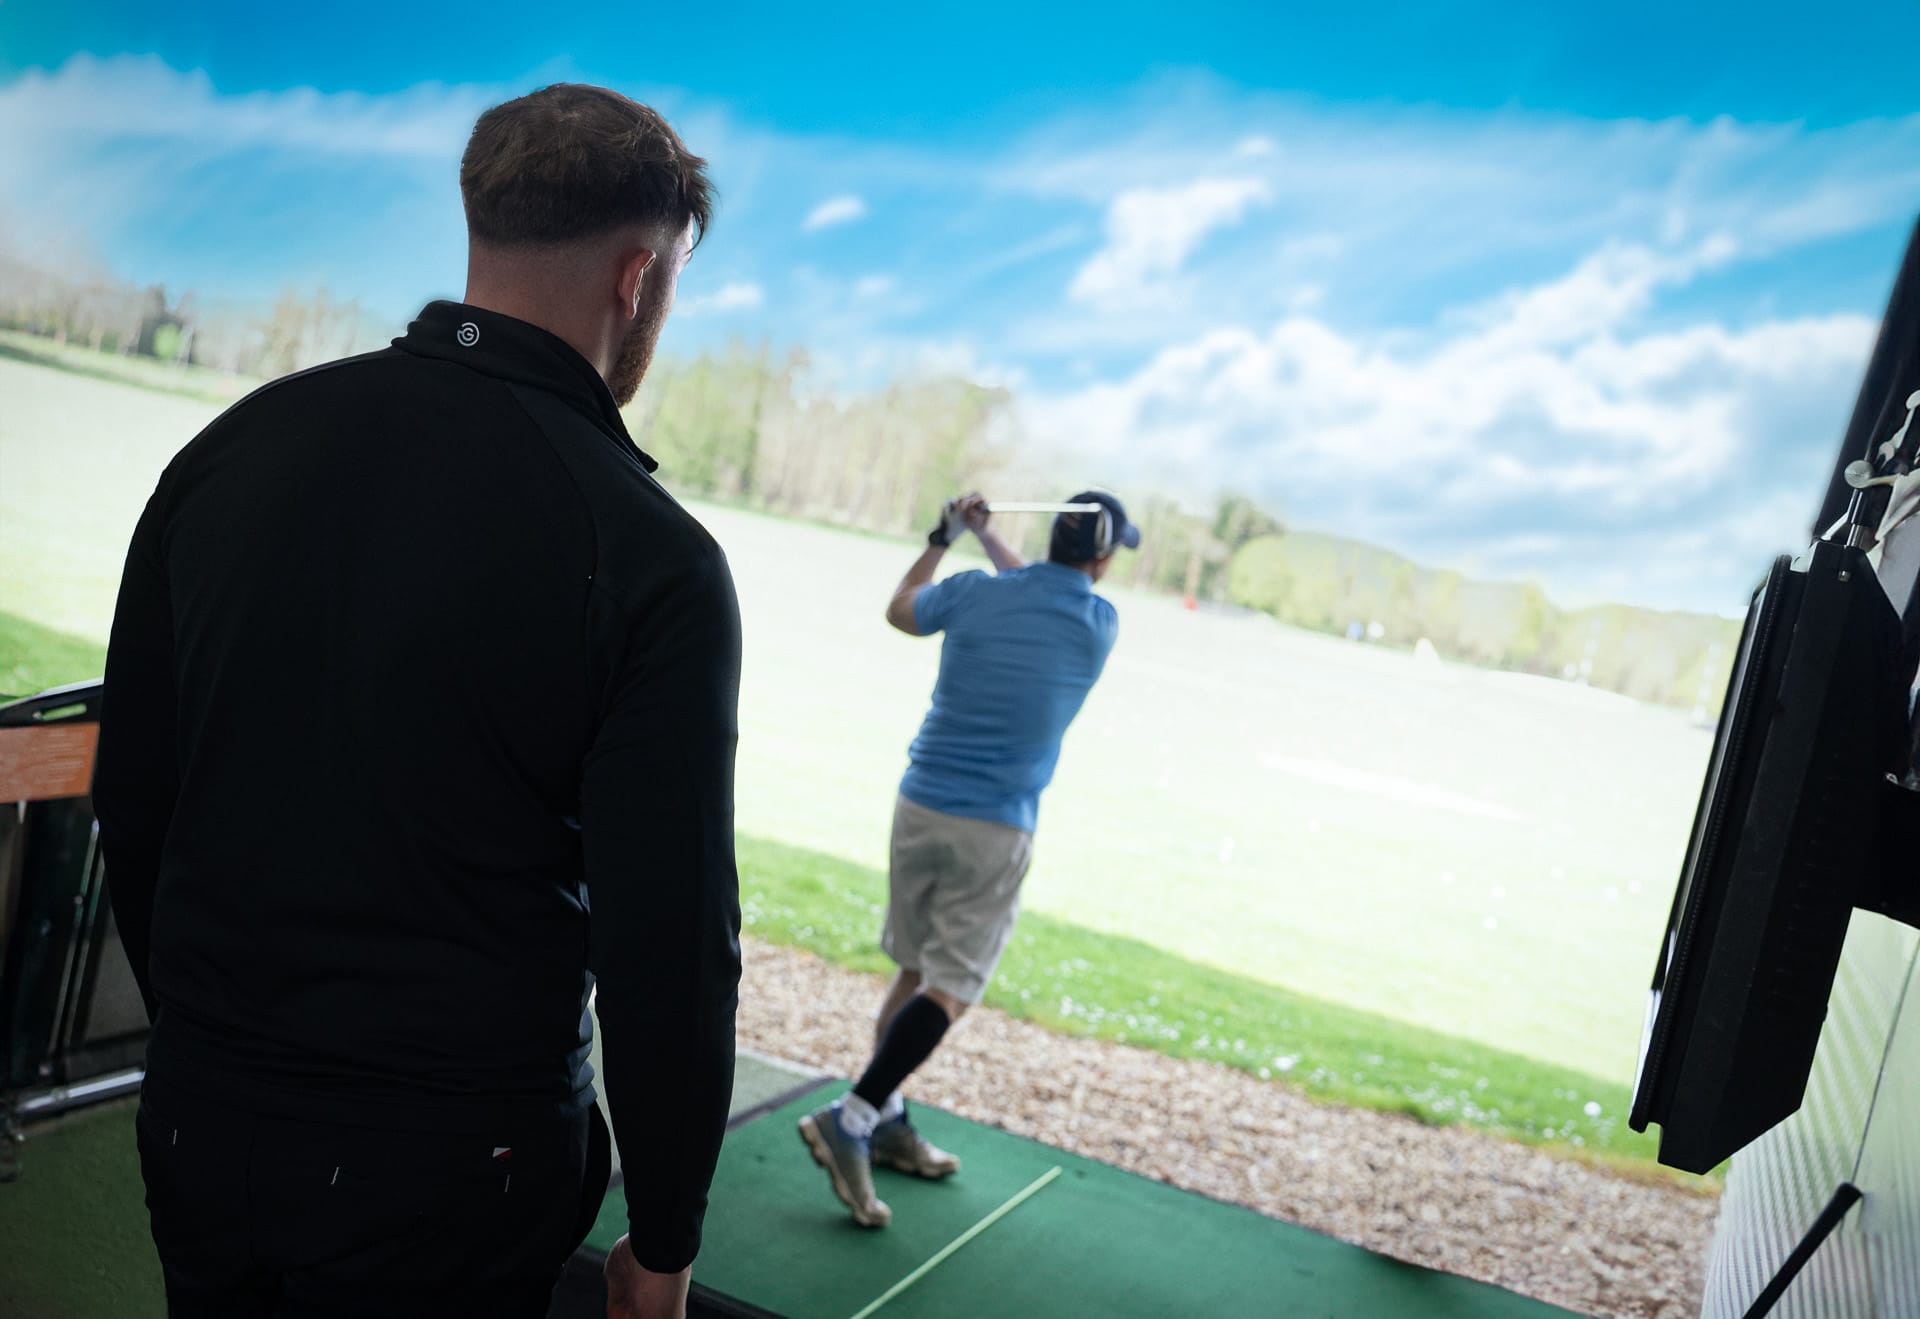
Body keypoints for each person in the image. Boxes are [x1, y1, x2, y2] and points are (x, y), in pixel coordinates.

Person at [91, 84, 741, 1319]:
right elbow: (671, 946)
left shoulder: (231, 450)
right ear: (640, 278)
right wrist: (664, 1233)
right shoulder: (651, 555)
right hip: (455, 1171)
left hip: (203, 1115)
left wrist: (208, 1039)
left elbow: (136, 791)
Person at [797, 490, 1139, 1226]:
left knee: (915, 971)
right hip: (995, 829)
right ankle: (853, 1117)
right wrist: (983, 537)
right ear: (1103, 559)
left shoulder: (976, 596)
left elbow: (902, 606)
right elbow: (1040, 589)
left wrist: (947, 535)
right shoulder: (1097, 625)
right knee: (948, 987)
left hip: (919, 806)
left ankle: (884, 1119)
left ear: (1051, 540)